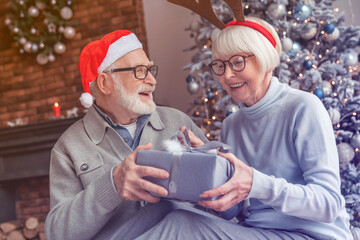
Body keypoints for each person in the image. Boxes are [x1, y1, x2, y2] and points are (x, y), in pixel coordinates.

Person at [187, 16, 353, 239]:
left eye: (237, 62)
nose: (226, 75)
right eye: (220, 65)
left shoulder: (303, 107)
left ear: (265, 59)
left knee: (181, 223)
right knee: (180, 216)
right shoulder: (231, 125)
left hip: (312, 234)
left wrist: (257, 183)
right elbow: (232, 211)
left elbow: (328, 204)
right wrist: (208, 171)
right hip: (257, 231)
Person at [44, 30, 208, 240]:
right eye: (140, 71)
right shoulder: (68, 147)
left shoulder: (178, 122)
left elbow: (225, 200)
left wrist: (209, 168)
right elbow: (58, 235)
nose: (152, 80)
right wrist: (112, 186)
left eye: (150, 70)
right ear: (105, 83)